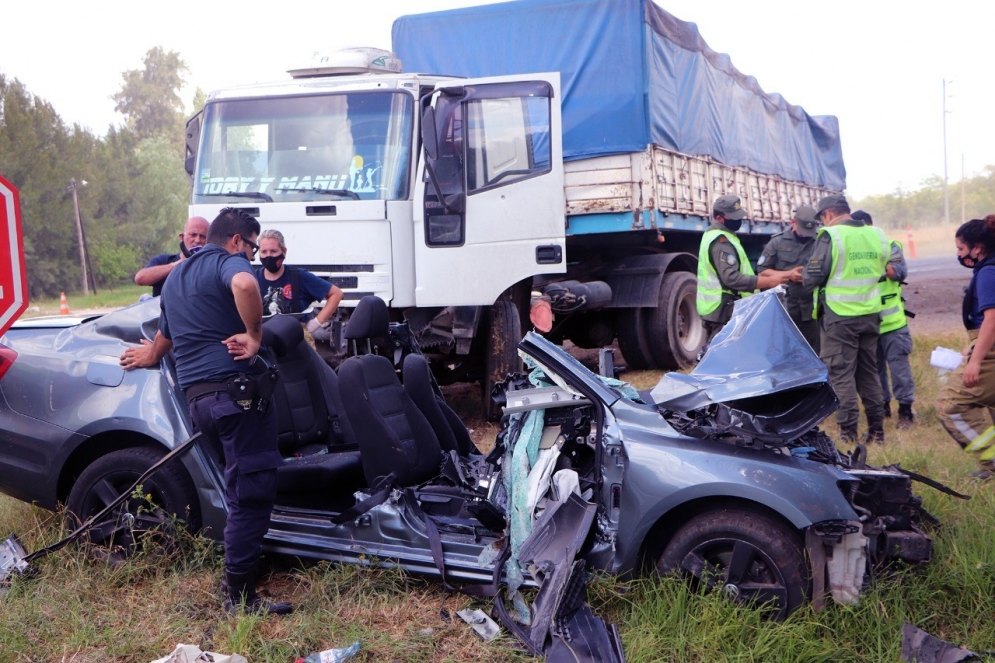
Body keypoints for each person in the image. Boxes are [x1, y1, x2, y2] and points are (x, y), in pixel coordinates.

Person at [120, 207, 291, 616]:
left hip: (201, 403)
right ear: (236, 240)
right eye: (252, 248)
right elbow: (245, 284)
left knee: (237, 488)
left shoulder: (177, 276)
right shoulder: (227, 263)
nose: (252, 256)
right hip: (237, 397)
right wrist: (254, 335)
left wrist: (151, 354)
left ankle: (238, 575)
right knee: (251, 494)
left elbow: (166, 333)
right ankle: (239, 598)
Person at [802, 195, 889, 444]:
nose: (822, 223)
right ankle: (877, 431)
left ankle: (848, 434)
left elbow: (812, 277)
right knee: (869, 373)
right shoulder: (876, 234)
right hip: (870, 313)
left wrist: (805, 274)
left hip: (840, 316)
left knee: (841, 375)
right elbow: (882, 270)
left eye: (821, 218)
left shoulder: (832, 236)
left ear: (828, 214)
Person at [937, 215, 995, 479]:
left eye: (961, 248)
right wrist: (972, 347)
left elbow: (992, 319)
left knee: (950, 407)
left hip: (990, 348)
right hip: (984, 342)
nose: (959, 254)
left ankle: (991, 462)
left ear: (977, 248)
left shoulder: (987, 272)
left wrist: (975, 360)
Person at [697, 194, 800, 338]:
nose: (738, 220)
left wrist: (787, 274)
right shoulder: (721, 242)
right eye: (734, 217)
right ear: (719, 218)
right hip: (722, 311)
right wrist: (769, 282)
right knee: (726, 352)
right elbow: (731, 278)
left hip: (721, 309)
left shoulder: (720, 235)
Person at [852, 209, 916, 428]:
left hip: (893, 324)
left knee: (899, 370)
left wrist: (873, 259)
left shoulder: (889, 246)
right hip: (867, 323)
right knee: (873, 371)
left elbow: (899, 272)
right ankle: (882, 408)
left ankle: (905, 411)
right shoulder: (851, 252)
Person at [255, 229, 344, 342]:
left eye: (273, 251)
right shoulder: (252, 279)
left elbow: (336, 293)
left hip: (298, 342)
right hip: (264, 340)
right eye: (264, 252)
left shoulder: (299, 276)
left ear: (284, 251)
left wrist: (315, 323)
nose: (268, 256)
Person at [757, 205, 822, 352]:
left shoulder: (819, 242)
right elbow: (762, 272)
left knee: (812, 353)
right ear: (793, 222)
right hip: (784, 310)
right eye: (803, 230)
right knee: (783, 351)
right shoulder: (777, 242)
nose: (806, 235)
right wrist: (789, 275)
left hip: (810, 311)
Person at [134, 216, 209, 297]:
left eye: (203, 236)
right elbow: (140, 279)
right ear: (182, 237)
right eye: (193, 235)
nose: (197, 240)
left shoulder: (211, 265)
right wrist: (176, 265)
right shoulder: (164, 260)